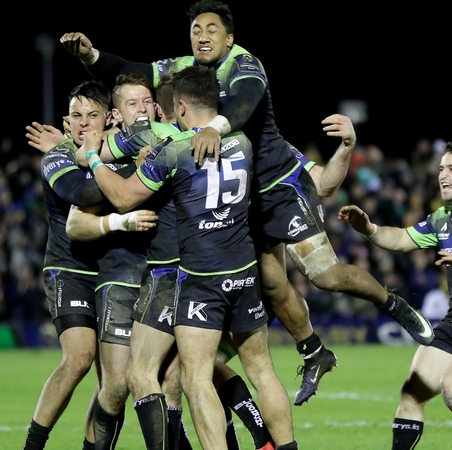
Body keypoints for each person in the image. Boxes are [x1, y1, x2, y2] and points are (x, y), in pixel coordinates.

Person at [61, 0, 434, 406]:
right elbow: (133, 70)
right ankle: (312, 352)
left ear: (230, 37)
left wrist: (214, 129)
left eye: (211, 29)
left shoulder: (246, 65)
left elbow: (241, 105)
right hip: (243, 196)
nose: (202, 36)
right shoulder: (187, 68)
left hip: (278, 188)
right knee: (272, 283)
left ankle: (390, 301)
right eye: (196, 30)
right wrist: (91, 57)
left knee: (324, 275)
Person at [81, 65, 297, 450]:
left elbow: (124, 196)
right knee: (262, 370)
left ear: (178, 106)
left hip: (198, 275)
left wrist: (94, 158)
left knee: (193, 377)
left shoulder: (173, 151)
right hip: (244, 271)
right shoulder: (242, 142)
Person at [338, 142, 452, 450]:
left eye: (451, 168)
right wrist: (369, 228)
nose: (442, 175)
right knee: (411, 394)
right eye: (440, 169)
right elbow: (402, 238)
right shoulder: (442, 218)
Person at [22, 80, 152, 450]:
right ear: (66, 122)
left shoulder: (117, 152)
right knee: (79, 357)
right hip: (70, 268)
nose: (83, 123)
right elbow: (81, 193)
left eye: (92, 115)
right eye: (76, 116)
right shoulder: (57, 156)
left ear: (109, 118)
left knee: (115, 379)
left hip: (110, 271)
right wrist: (132, 174)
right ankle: (33, 446)